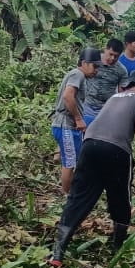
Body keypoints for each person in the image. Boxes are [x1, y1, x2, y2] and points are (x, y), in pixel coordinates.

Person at [49, 72, 135, 268]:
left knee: (79, 196)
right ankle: (117, 249)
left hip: (89, 145)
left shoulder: (114, 97)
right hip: (116, 149)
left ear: (128, 86)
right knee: (120, 197)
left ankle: (58, 253)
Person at [51, 47, 100, 193]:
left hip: (66, 125)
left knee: (73, 160)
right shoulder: (77, 74)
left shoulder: (79, 76)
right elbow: (68, 96)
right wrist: (78, 119)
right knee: (70, 163)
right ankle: (68, 196)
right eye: (94, 66)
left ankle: (72, 192)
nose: (97, 70)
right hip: (66, 124)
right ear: (84, 63)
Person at [82, 38, 128, 124]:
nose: (112, 58)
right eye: (111, 54)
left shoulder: (121, 70)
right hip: (86, 104)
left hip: (106, 108)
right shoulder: (92, 61)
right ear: (105, 49)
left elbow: (122, 93)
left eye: (116, 56)